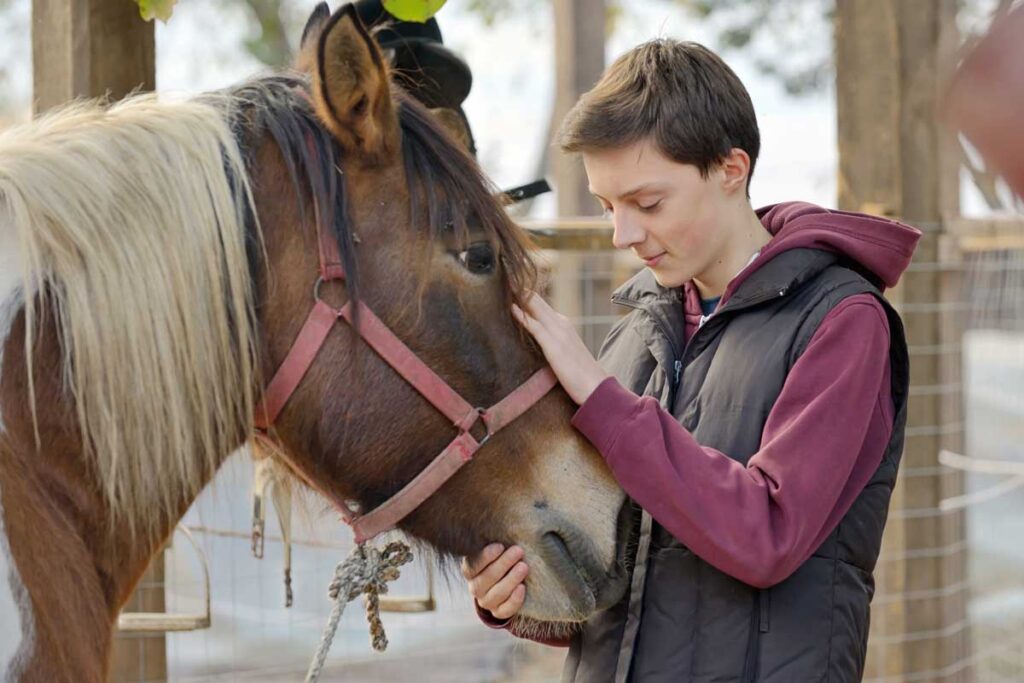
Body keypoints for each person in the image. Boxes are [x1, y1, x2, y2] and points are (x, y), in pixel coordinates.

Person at [461, 38, 921, 682]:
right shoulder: (633, 338)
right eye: (606, 207)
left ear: (732, 168)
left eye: (647, 204)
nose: (624, 234)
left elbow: (767, 536)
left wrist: (600, 399)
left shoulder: (843, 323)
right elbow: (601, 579)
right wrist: (517, 597)